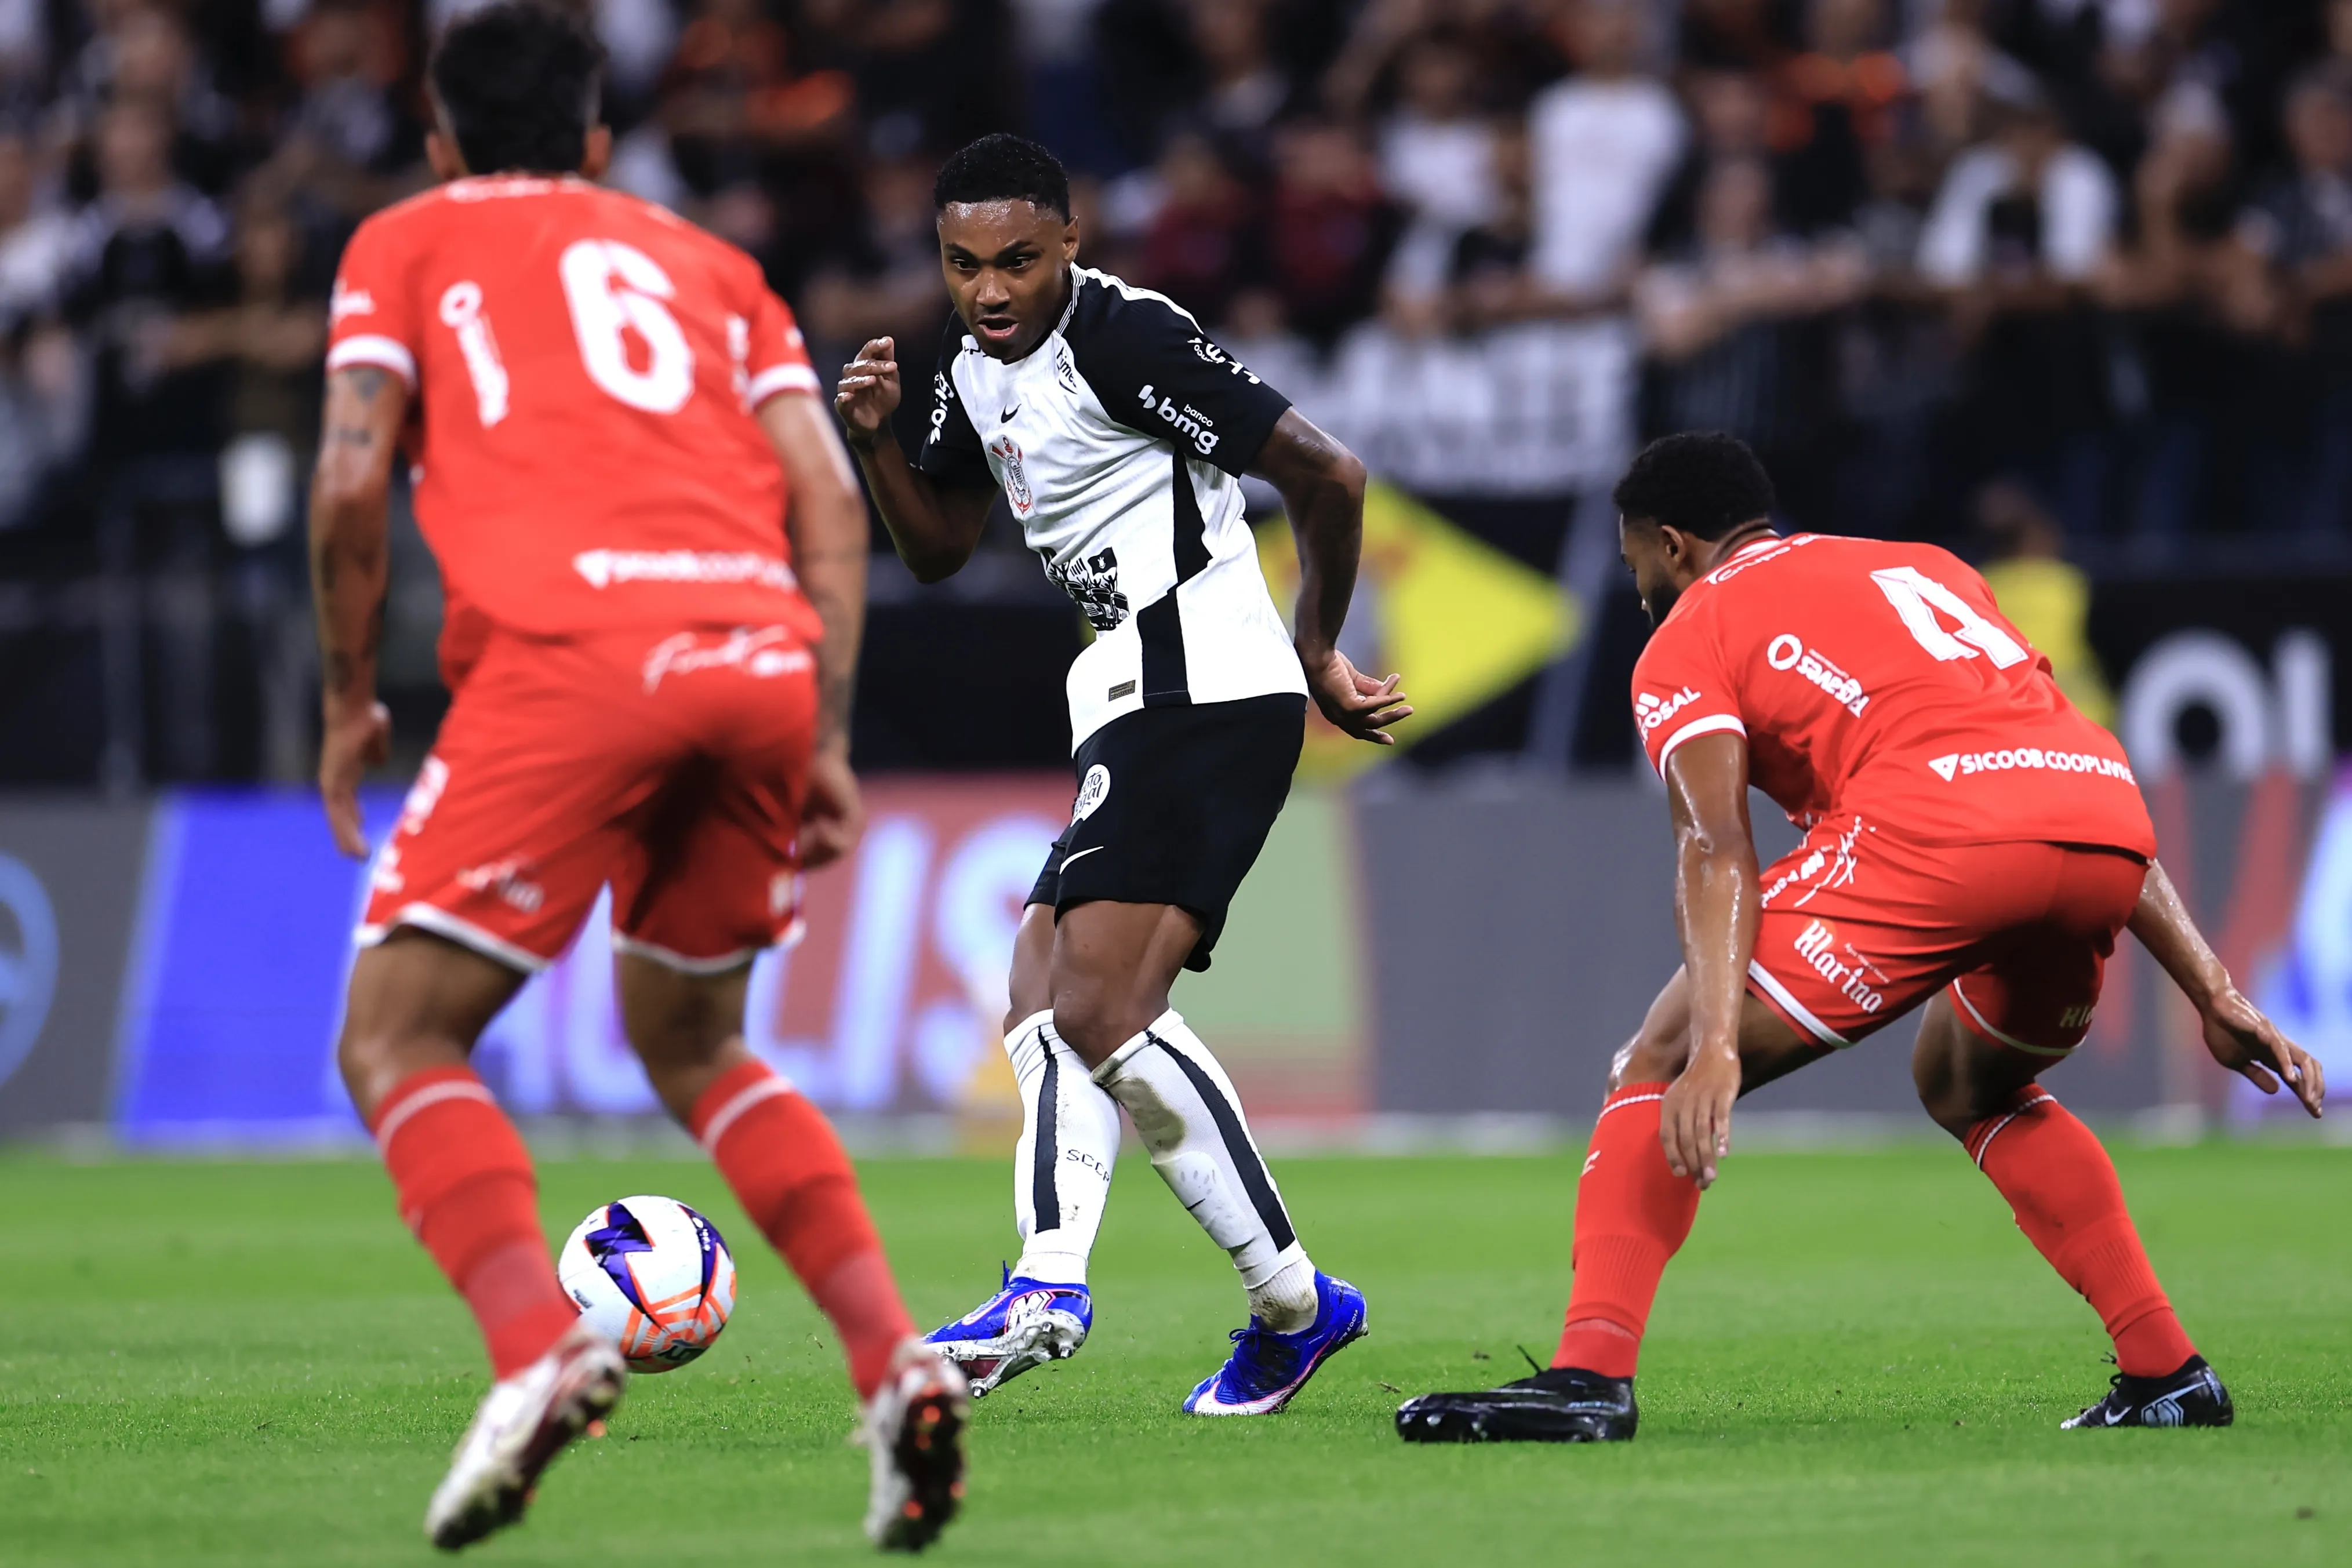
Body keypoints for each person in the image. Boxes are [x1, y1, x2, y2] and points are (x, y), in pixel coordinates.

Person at [310, 4, 964, 1549]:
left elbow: (347, 478)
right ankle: (896, 1362)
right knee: (694, 1042)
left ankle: (538, 1351)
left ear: (437, 141)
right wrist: (823, 730)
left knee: (397, 1043)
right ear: (602, 145)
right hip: (750, 653)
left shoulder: (404, 243)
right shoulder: (715, 271)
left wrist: (348, 698)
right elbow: (823, 494)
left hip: (567, 653)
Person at [1397, 432, 2324, 1444]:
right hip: (2105, 822)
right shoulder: (1928, 568)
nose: (1641, 593)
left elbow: (1715, 847)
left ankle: (1587, 1377)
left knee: (1655, 1061)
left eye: (1635, 569)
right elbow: (2042, 766)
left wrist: (1712, 1048)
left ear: (1672, 546)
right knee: (1969, 1083)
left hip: (1939, 835)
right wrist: (2217, 993)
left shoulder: (1691, 630)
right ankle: (2167, 1371)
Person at [833, 133, 1411, 1416]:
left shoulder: (1125, 338)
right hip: (1123, 690)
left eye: (1020, 261)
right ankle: (1287, 1306)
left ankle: (1063, 1288)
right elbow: (936, 548)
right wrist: (874, 441)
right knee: (1042, 986)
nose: (991, 289)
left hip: (1209, 675)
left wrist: (1315, 645)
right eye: (964, 263)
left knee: (1093, 1001)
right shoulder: (964, 367)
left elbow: (1330, 470)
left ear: (1071, 245)